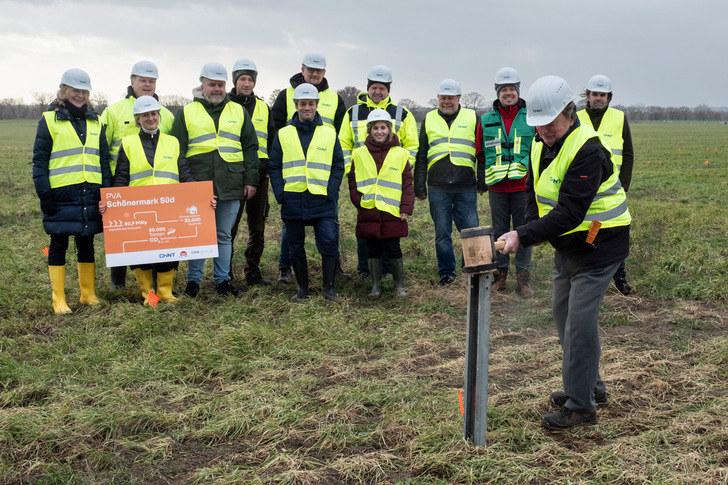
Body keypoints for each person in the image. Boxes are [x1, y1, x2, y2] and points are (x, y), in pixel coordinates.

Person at [498, 76, 631, 429]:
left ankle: (581, 406)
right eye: (537, 125)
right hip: (569, 245)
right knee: (564, 318)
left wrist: (523, 235)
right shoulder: (541, 143)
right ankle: (591, 387)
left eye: (550, 124)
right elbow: (532, 190)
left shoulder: (588, 149)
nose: (543, 131)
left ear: (569, 114)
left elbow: (571, 211)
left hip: (599, 244)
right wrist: (531, 227)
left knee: (578, 325)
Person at [99, 96, 204, 305]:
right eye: (145, 115)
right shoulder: (128, 144)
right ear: (137, 119)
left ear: (159, 115)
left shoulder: (172, 143)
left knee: (169, 250)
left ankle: (165, 292)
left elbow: (185, 175)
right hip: (139, 210)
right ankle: (149, 294)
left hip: (169, 208)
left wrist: (201, 199)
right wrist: (111, 202)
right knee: (139, 252)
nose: (150, 118)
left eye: (153, 114)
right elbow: (121, 176)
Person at [171, 62, 260, 297]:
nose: (217, 89)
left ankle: (223, 281)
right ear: (203, 85)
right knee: (198, 234)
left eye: (220, 85)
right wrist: (184, 182)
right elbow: (175, 150)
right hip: (197, 184)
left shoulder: (238, 112)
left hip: (231, 183)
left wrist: (251, 180)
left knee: (223, 234)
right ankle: (193, 283)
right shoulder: (187, 112)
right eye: (212, 84)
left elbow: (251, 147)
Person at [32, 68, 112, 314]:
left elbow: (103, 161)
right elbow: (40, 161)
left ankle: (88, 295)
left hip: (90, 192)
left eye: (83, 91)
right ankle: (59, 299)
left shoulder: (95, 120)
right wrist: (45, 195)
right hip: (60, 195)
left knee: (86, 243)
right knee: (58, 243)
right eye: (75, 91)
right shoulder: (48, 120)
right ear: (64, 91)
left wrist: (107, 194)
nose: (79, 95)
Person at [271, 52, 347, 284]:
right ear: (302, 69)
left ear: (324, 72)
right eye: (310, 69)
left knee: (330, 226)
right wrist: (281, 190)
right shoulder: (286, 95)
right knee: (291, 228)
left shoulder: (335, 98)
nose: (314, 74)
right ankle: (285, 266)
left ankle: (334, 269)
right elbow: (275, 126)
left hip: (323, 178)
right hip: (294, 179)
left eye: (319, 70)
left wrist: (332, 188)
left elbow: (342, 132)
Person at [339, 65, 419, 284]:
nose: (377, 92)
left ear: (388, 90)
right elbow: (344, 143)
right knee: (367, 227)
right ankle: (365, 272)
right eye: (374, 87)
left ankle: (387, 272)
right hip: (363, 180)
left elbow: (412, 145)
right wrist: (350, 169)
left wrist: (402, 168)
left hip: (391, 184)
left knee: (390, 230)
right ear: (368, 88)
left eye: (382, 88)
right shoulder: (353, 112)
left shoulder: (402, 113)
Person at [100, 60, 175, 290]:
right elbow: (101, 150)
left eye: (151, 81)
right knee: (123, 234)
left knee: (156, 234)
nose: (147, 84)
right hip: (122, 185)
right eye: (143, 80)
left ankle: (155, 283)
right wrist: (108, 188)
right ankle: (118, 283)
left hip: (157, 189)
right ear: (132, 81)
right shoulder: (113, 111)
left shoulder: (168, 116)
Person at [414, 79, 485, 287]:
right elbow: (421, 155)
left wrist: (482, 181)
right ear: (438, 98)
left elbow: (481, 153)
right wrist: (420, 186)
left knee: (470, 231)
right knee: (442, 233)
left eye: (451, 98)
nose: (447, 102)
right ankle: (447, 274)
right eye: (443, 98)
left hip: (466, 186)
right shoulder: (429, 119)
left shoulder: (472, 117)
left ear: (458, 99)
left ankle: (470, 272)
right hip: (437, 186)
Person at [479, 67, 535, 296]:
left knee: (524, 232)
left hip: (524, 186)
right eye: (504, 90)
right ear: (497, 92)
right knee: (500, 232)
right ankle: (500, 277)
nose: (508, 93)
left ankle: (523, 280)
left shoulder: (531, 116)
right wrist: (481, 181)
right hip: (497, 187)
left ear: (518, 91)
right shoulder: (485, 120)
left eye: (512, 89)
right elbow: (481, 153)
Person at [578, 74, 634, 295]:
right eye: (594, 94)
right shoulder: (577, 117)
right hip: (583, 186)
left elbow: (627, 152)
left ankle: (619, 278)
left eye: (602, 95)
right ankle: (587, 273)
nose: (598, 98)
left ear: (609, 97)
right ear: (588, 96)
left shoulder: (620, 117)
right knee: (583, 229)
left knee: (614, 230)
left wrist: (624, 183)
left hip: (612, 188)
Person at [349, 109, 414, 297]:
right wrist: (357, 200)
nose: (379, 131)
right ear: (369, 130)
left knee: (393, 247)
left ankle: (399, 286)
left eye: (383, 127)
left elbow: (407, 183)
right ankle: (375, 287)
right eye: (375, 128)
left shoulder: (401, 154)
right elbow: (352, 180)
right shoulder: (359, 153)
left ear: (390, 129)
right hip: (368, 208)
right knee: (372, 248)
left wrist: (406, 208)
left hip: (392, 210)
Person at [227, 57, 276, 286]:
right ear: (235, 80)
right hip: (233, 175)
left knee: (257, 227)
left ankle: (252, 272)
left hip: (259, 176)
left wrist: (267, 172)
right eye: (242, 79)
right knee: (229, 228)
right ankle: (224, 274)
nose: (246, 84)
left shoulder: (264, 108)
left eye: (250, 79)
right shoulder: (224, 106)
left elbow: (272, 142)